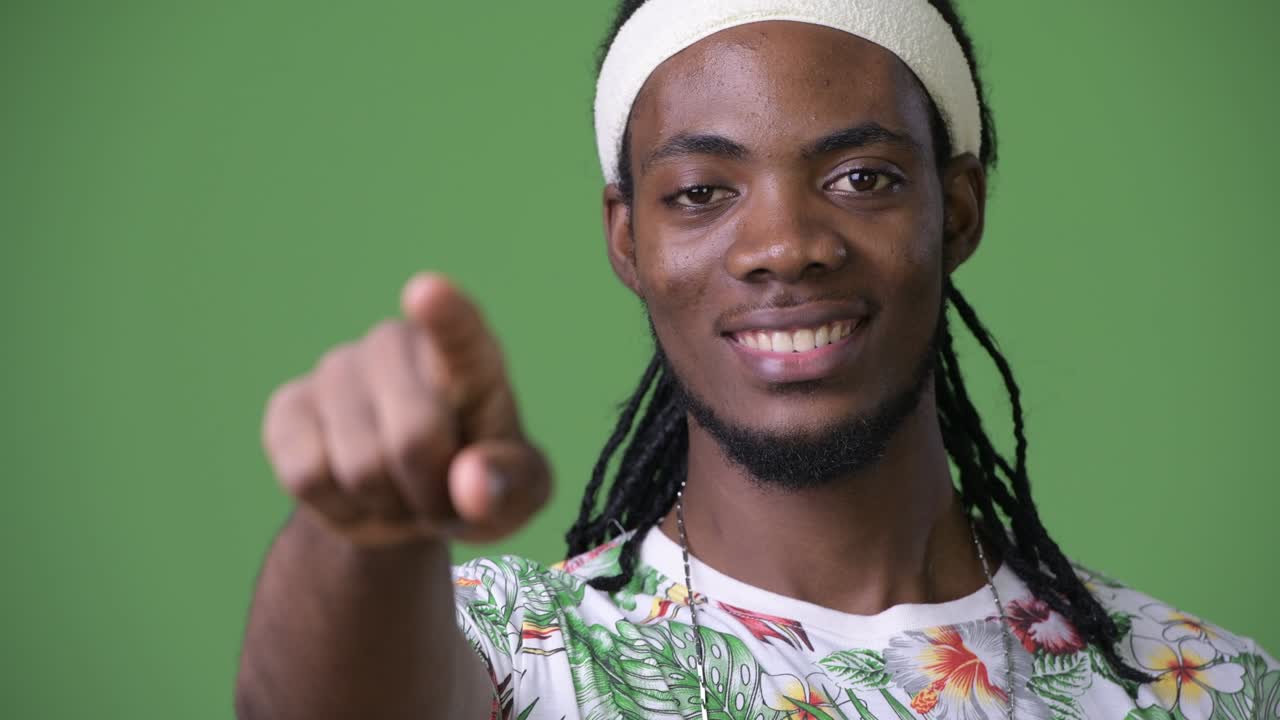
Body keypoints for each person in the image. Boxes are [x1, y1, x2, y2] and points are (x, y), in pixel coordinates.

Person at [235, 1, 1277, 718]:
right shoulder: (515, 650)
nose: (783, 245)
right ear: (628, 241)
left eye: (861, 177)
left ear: (956, 210)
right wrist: (359, 534)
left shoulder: (1204, 688)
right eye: (700, 192)